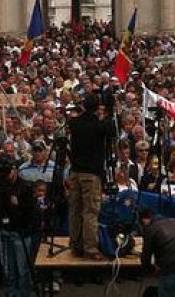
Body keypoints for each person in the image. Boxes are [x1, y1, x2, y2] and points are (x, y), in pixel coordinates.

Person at [67, 92, 115, 260]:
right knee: (90, 211)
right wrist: (108, 113)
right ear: (98, 108)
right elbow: (111, 131)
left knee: (75, 210)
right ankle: (90, 248)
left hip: (75, 172)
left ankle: (75, 244)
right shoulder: (99, 125)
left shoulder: (74, 123)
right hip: (91, 174)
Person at [0, 154, 36, 297]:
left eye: (8, 171)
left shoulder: (25, 186)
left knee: (22, 269)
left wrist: (18, 204)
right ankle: (11, 293)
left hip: (21, 232)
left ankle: (24, 294)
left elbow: (32, 212)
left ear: (14, 169)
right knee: (8, 269)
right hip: (4, 230)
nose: (6, 175)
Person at [139, 207, 175, 297]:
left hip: (171, 271)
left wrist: (149, 270)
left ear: (145, 219)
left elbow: (146, 256)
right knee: (173, 290)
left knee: (168, 289)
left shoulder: (151, 229)